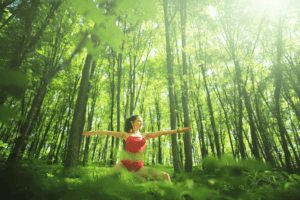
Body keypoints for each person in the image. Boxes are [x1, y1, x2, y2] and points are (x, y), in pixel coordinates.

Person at [82, 115, 192, 182]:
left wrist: (179, 130)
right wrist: (91, 132)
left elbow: (163, 132)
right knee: (102, 180)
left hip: (138, 168)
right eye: (139, 120)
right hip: (123, 165)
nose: (141, 122)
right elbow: (107, 132)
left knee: (165, 176)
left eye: (141, 121)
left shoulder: (145, 135)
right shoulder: (126, 135)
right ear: (132, 122)